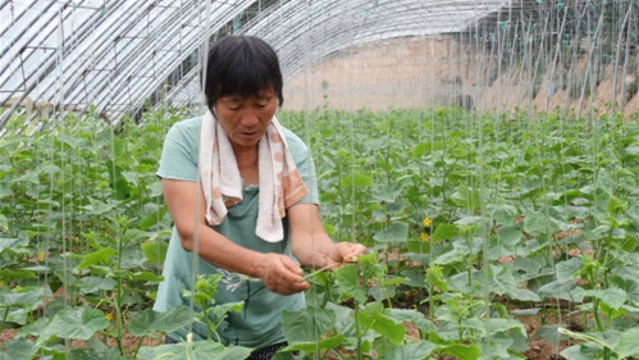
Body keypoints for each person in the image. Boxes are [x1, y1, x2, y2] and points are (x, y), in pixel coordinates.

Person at [153, 35, 367, 359]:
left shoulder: (292, 152)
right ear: (213, 102)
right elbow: (190, 233)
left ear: (277, 96)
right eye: (235, 106)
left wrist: (333, 254)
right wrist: (260, 265)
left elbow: (308, 237)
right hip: (196, 318)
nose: (250, 120)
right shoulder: (186, 141)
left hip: (273, 326)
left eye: (262, 103)